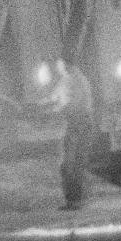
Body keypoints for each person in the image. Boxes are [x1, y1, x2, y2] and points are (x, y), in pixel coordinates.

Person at [38, 58, 101, 210]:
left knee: (72, 163)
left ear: (65, 64)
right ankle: (75, 199)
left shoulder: (75, 80)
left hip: (79, 125)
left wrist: (51, 110)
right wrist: (43, 105)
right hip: (77, 125)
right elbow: (56, 98)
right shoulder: (67, 80)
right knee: (72, 163)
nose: (57, 66)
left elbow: (71, 104)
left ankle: (75, 199)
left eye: (59, 63)